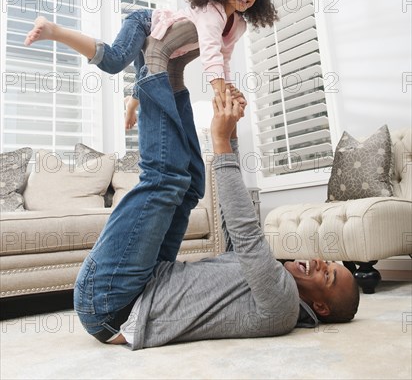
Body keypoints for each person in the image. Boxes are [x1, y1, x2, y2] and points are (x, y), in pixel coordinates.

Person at [73, 61, 359, 349]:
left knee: (165, 179)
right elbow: (234, 230)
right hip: (137, 287)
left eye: (328, 275)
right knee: (191, 184)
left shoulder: (283, 305)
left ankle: (154, 63)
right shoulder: (271, 288)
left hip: (113, 303)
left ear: (320, 307)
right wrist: (231, 136)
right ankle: (172, 75)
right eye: (329, 263)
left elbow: (247, 234)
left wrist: (219, 139)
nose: (322, 263)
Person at [23, 0, 277, 129]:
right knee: (114, 62)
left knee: (147, 75)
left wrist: (229, 89)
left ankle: (131, 103)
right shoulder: (212, 12)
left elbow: (224, 58)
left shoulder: (239, 24)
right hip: (146, 24)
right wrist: (219, 92)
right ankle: (54, 30)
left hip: (163, 48)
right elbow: (210, 53)